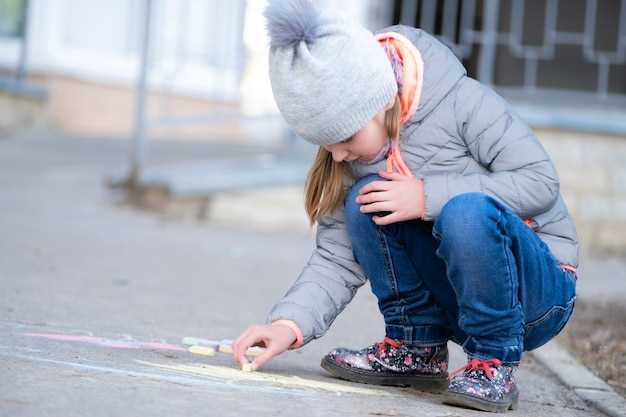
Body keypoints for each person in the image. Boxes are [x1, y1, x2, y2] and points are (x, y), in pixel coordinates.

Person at [232, 0, 578, 412]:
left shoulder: (460, 103)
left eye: (345, 139)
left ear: (379, 102)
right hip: (459, 295)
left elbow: (539, 182)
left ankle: (494, 361)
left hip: (536, 293)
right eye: (326, 145)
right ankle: (417, 349)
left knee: (466, 212)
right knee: (366, 202)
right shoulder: (354, 155)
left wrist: (425, 196)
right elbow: (337, 257)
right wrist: (287, 325)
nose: (339, 156)